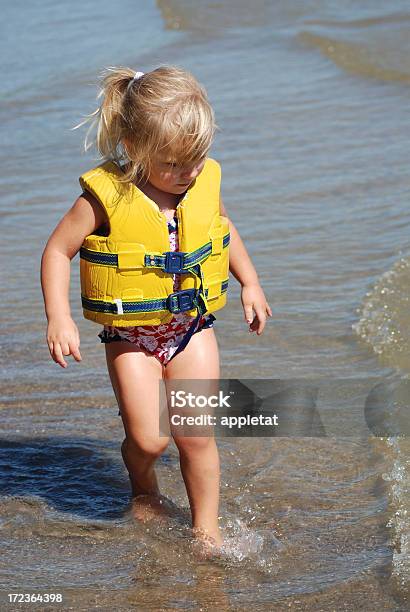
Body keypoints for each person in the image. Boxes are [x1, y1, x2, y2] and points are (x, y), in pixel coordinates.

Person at [41, 65, 272, 553]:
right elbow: (57, 250)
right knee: (150, 441)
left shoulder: (200, 181)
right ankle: (144, 489)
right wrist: (58, 317)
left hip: (191, 328)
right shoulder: (105, 196)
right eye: (173, 164)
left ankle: (205, 532)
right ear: (133, 148)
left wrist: (249, 281)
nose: (188, 173)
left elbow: (222, 230)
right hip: (133, 337)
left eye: (197, 160)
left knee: (195, 435)